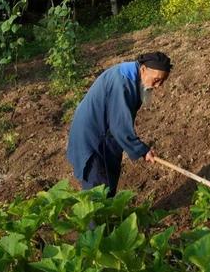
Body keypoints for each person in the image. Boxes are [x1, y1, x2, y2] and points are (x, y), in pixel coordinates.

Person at [67, 51, 172, 198]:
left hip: (104, 136)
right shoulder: (123, 83)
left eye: (162, 81)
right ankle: (97, 221)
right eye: (156, 80)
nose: (158, 86)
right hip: (94, 140)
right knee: (98, 193)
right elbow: (119, 126)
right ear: (143, 69)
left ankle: (107, 219)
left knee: (107, 186)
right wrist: (142, 150)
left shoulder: (132, 75)